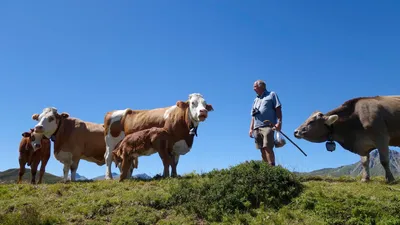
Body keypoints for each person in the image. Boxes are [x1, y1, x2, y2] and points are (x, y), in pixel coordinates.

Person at [249, 79, 282, 166]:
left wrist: (279, 122)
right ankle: (266, 168)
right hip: (257, 127)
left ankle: (272, 167)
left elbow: (278, 108)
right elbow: (253, 115)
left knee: (267, 147)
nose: (253, 89)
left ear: (261, 86)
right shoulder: (255, 99)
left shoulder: (272, 95)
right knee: (261, 149)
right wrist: (251, 129)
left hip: (268, 125)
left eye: (255, 86)